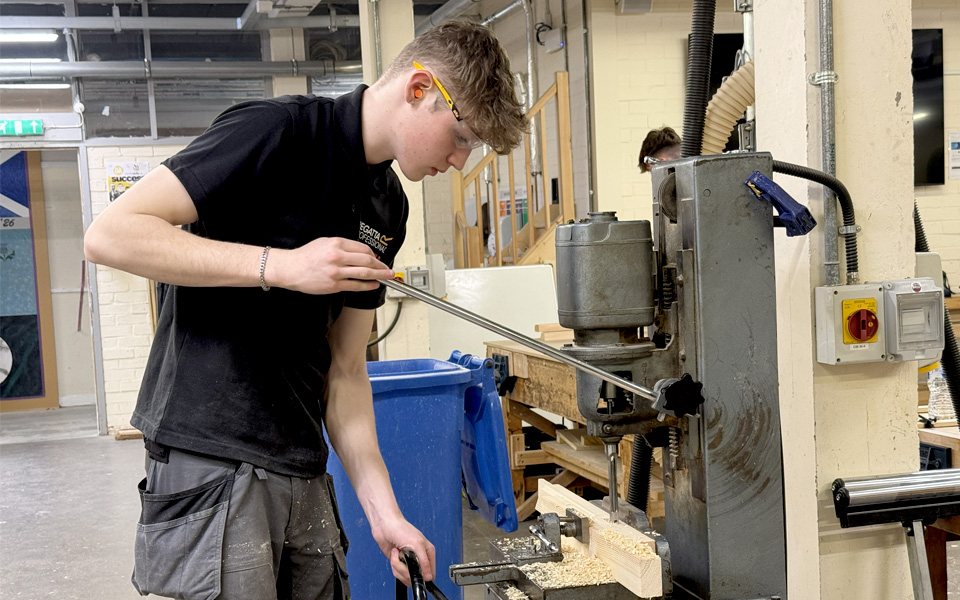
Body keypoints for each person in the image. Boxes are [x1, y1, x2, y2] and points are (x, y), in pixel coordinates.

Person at [83, 20, 526, 600]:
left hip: (302, 462)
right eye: (463, 135)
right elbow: (111, 234)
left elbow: (346, 373)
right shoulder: (277, 132)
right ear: (419, 89)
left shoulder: (387, 207)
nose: (462, 160)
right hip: (215, 456)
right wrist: (282, 267)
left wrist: (383, 513)